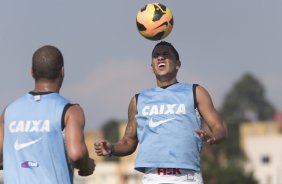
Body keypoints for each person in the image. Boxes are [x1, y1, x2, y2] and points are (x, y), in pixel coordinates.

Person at [95, 41, 227, 184]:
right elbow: (128, 142)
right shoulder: (138, 100)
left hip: (186, 177)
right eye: (156, 56)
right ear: (152, 67)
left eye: (165, 55)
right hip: (153, 177)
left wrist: (213, 137)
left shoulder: (196, 92)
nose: (160, 58)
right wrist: (112, 148)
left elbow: (219, 128)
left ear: (178, 64)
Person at [0, 45, 95, 184]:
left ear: (32, 72)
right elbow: (76, 154)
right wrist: (87, 165)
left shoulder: (9, 111)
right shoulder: (70, 111)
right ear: (62, 71)